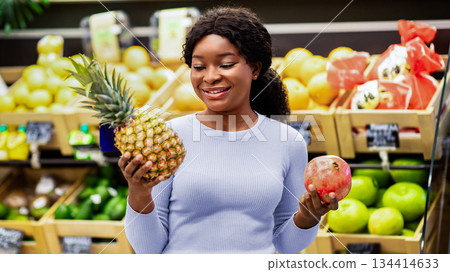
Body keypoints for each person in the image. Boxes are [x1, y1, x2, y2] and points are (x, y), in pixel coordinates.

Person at [119, 6, 338, 254]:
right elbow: (148, 249)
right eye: (199, 66)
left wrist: (309, 216)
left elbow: (287, 246)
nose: (210, 77)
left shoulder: (288, 142)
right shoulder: (168, 136)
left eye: (225, 64)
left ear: (254, 68)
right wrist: (138, 192)